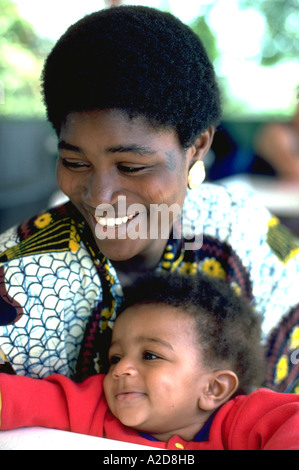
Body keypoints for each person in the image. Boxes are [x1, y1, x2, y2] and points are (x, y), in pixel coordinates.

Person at [0, 6, 299, 392]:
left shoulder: (244, 233)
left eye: (131, 166)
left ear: (198, 146)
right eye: (75, 161)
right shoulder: (19, 285)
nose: (100, 196)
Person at [1, 272, 299, 450]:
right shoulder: (98, 410)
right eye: (115, 357)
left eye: (150, 356)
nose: (120, 369)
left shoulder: (240, 423)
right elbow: (21, 399)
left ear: (214, 389)